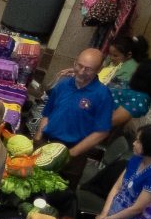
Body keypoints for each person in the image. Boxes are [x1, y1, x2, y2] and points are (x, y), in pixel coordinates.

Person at [38, 47, 121, 202]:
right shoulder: (63, 84)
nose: (81, 71)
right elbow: (47, 113)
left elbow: (102, 132)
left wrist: (71, 154)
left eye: (88, 69)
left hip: (73, 153)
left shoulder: (102, 95)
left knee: (58, 200)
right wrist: (38, 140)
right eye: (79, 65)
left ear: (99, 69)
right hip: (47, 145)